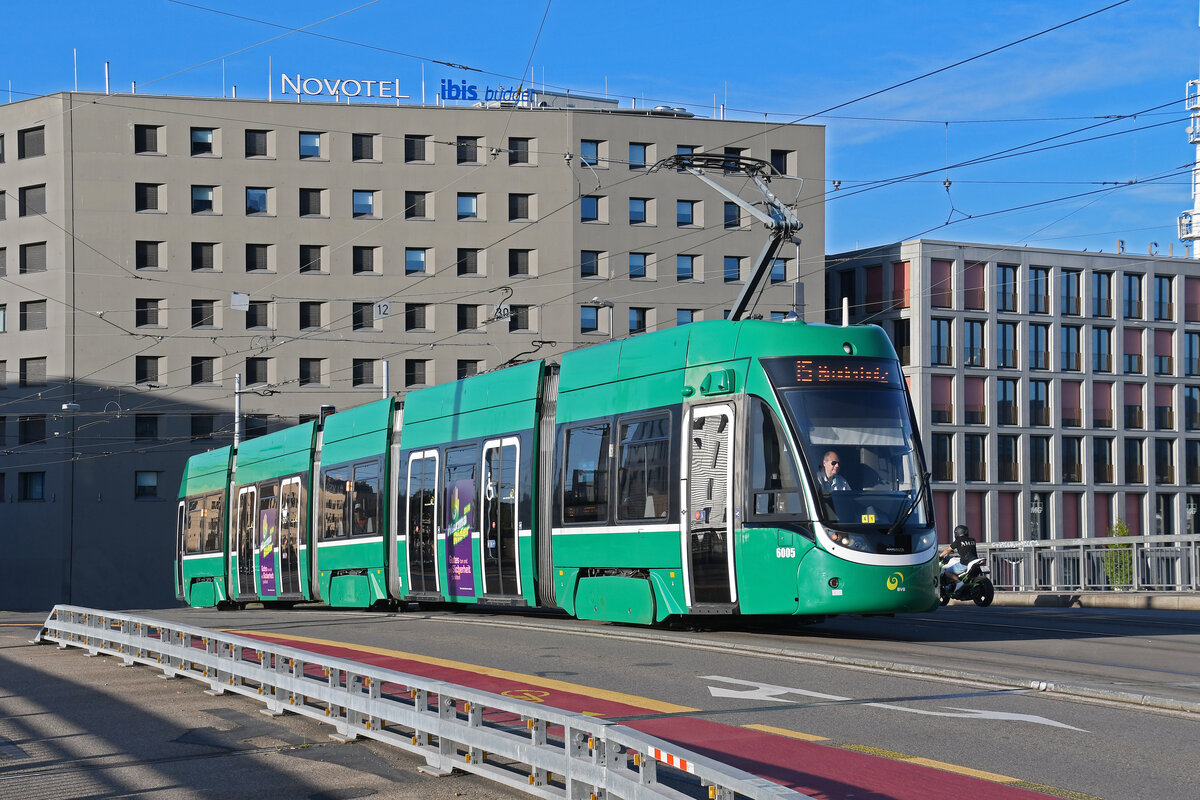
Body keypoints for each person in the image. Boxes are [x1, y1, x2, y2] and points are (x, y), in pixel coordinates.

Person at [940, 524, 979, 594]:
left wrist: (940, 556)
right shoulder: (973, 540)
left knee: (947, 572)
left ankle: (958, 582)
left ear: (957, 532)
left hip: (965, 563)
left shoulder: (958, 541)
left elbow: (948, 549)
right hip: (974, 561)